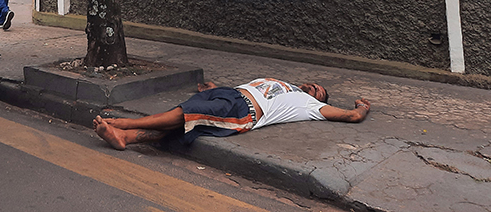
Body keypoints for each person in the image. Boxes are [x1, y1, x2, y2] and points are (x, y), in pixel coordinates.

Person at [93, 77, 371, 150]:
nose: (313, 88)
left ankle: (125, 122)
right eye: (313, 84)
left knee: (185, 115)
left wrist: (362, 108)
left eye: (318, 91)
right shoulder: (283, 84)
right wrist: (216, 88)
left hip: (242, 110)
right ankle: (124, 138)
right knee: (184, 125)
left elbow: (352, 117)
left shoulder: (309, 105)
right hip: (229, 94)